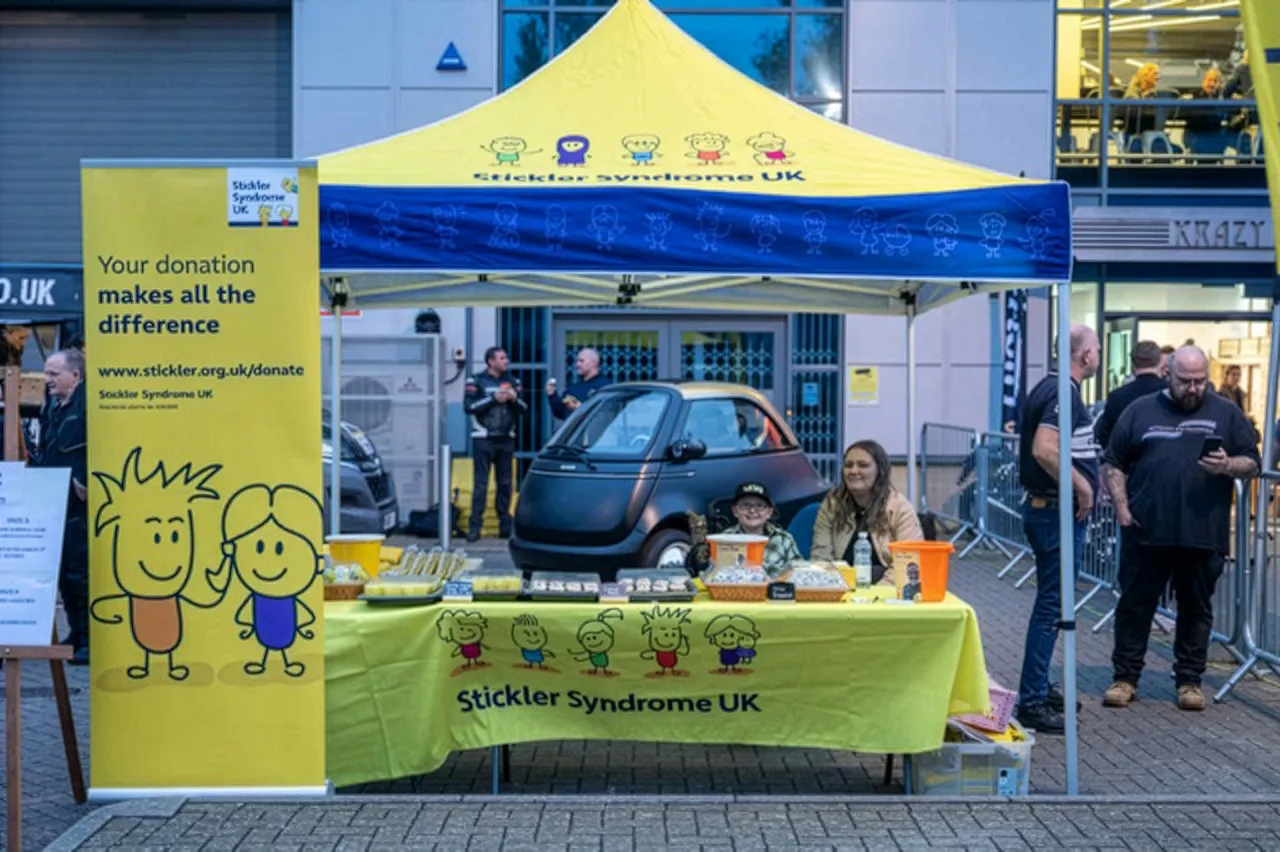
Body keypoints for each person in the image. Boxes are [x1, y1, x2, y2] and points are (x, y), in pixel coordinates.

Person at [1101, 346, 1259, 713]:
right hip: (1146, 530)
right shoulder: (1140, 410)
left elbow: (1252, 461)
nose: (1193, 388)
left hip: (1202, 532)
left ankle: (1189, 681)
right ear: (1167, 374)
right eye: (1185, 381)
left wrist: (1228, 465)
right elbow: (1114, 461)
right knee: (1135, 606)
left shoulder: (1226, 412)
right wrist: (1122, 507)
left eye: (1200, 381)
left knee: (1196, 609)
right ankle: (1125, 678)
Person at [1014, 324, 1099, 735]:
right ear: (1086, 355)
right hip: (1054, 513)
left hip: (1047, 509)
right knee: (1052, 607)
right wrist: (1084, 487)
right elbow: (1044, 449)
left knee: (1051, 604)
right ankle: (1031, 699)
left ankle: (1039, 688)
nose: (1097, 355)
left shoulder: (1049, 387)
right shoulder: (1063, 391)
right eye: (1096, 348)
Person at [31, 349, 89, 664]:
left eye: (54, 374)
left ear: (75, 375)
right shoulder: (51, 405)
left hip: (77, 503)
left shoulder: (87, 405)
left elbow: (96, 446)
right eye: (46, 373)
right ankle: (76, 633)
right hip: (55, 498)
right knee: (64, 571)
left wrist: (84, 479)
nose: (48, 380)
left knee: (79, 570)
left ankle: (89, 639)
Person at [811, 440, 922, 585]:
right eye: (848, 465)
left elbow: (907, 563)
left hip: (887, 591)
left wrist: (876, 595)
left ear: (880, 471)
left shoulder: (900, 508)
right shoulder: (831, 505)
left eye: (863, 465)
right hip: (840, 588)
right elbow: (821, 558)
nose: (853, 471)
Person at [464, 347, 526, 542]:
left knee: (505, 484)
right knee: (481, 485)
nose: (506, 361)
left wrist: (514, 399)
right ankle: (475, 527)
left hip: (507, 438)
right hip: (483, 438)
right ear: (491, 362)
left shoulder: (514, 381)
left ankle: (505, 527)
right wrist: (493, 398)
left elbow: (524, 409)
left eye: (506, 357)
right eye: (502, 358)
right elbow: (469, 407)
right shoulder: (476, 380)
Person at [693, 482, 800, 578]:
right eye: (745, 505)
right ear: (735, 511)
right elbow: (713, 575)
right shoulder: (724, 539)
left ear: (769, 512)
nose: (752, 510)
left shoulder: (784, 539)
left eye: (759, 506)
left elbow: (799, 572)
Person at [1095, 340, 1166, 454]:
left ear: (1132, 363)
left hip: (1128, 459)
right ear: (1160, 362)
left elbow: (1106, 436)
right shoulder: (1169, 391)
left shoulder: (1117, 396)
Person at [546, 348, 610, 422]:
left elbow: (605, 414)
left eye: (581, 361)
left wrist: (579, 408)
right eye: (577, 361)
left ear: (593, 363)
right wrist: (552, 395)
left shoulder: (605, 387)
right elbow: (561, 412)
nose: (577, 364)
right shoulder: (574, 388)